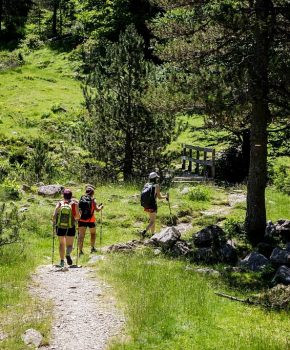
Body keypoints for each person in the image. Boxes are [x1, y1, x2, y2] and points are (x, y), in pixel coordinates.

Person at [53, 189, 80, 268]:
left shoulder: (60, 203)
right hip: (71, 226)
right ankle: (67, 254)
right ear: (71, 196)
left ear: (63, 196)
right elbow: (77, 217)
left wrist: (54, 223)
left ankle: (61, 261)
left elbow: (54, 215)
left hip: (60, 226)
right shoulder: (74, 204)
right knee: (69, 245)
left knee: (61, 244)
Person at [141, 172, 168, 237]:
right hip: (152, 205)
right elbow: (159, 197)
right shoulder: (156, 185)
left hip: (146, 204)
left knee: (152, 220)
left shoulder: (146, 184)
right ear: (155, 178)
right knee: (152, 221)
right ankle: (144, 231)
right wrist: (166, 196)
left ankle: (153, 234)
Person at [78, 185, 104, 255]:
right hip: (91, 220)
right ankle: (92, 248)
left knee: (81, 235)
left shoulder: (81, 198)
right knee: (93, 234)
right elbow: (97, 210)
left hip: (81, 220)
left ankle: (80, 251)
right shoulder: (93, 200)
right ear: (92, 193)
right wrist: (101, 207)